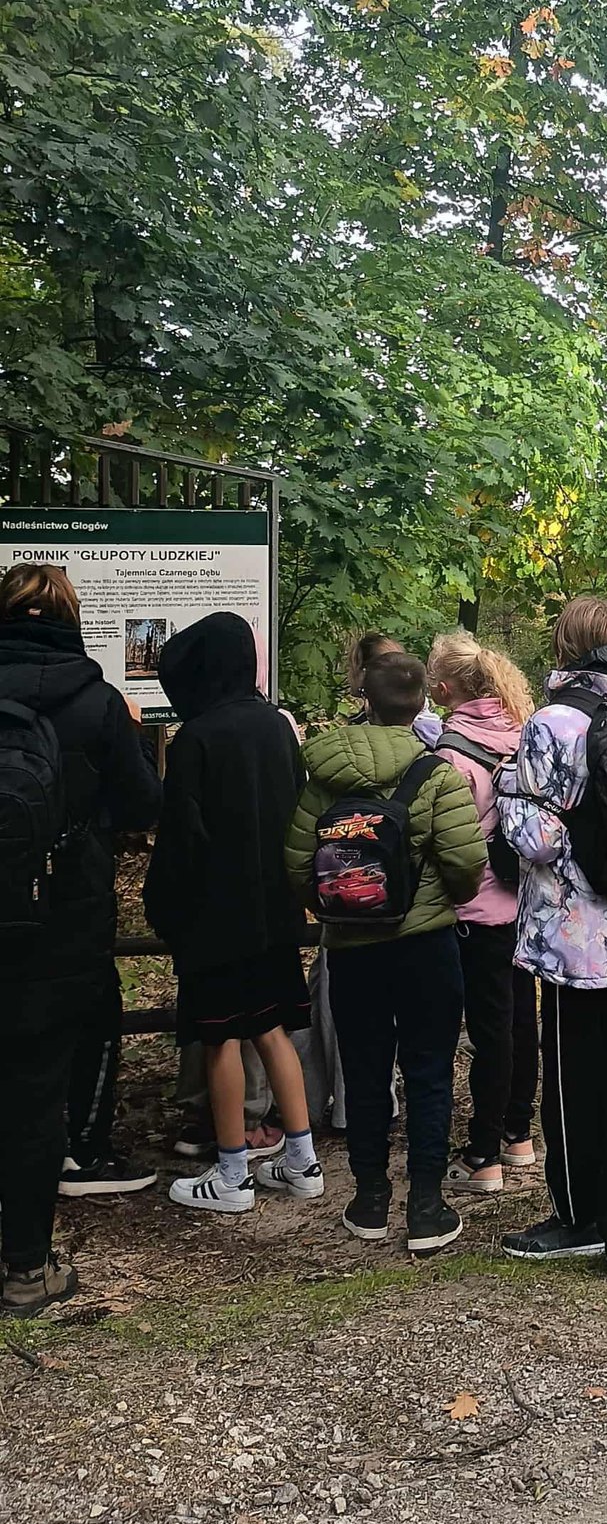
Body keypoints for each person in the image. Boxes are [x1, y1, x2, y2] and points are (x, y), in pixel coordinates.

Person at [0, 564, 161, 1316]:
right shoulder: (96, 701)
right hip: (61, 920)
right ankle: (26, 1267)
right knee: (36, 1092)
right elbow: (141, 804)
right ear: (71, 617)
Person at [284, 651, 486, 1253]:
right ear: (423, 700)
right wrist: (439, 899)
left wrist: (339, 907)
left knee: (365, 1070)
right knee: (429, 1071)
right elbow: (466, 864)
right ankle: (426, 1205)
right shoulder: (438, 776)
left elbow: (298, 865)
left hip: (352, 950)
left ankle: (369, 1199)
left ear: (364, 698)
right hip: (427, 947)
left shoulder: (324, 778)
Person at [497, 598, 607, 1282]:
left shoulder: (553, 723)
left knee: (575, 1083)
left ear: (563, 647)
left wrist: (507, 790)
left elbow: (537, 840)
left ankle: (580, 1217)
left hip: (578, 939)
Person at [141, 612, 319, 1215]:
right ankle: (302, 1162)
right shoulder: (275, 727)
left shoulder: (196, 738)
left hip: (215, 918)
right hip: (275, 911)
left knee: (219, 1037)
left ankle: (233, 1172)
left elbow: (181, 840)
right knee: (273, 1029)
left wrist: (166, 910)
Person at [423, 629, 539, 1193]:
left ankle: (483, 1154)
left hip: (477, 908)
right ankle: (519, 1133)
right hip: (527, 901)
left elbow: (450, 840)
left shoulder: (451, 753)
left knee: (490, 1030)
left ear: (444, 689)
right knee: (521, 1020)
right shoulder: (522, 730)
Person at [344, 631, 405, 722]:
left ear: (364, 673)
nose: (349, 673)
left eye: (352, 666)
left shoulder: (363, 724)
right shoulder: (414, 714)